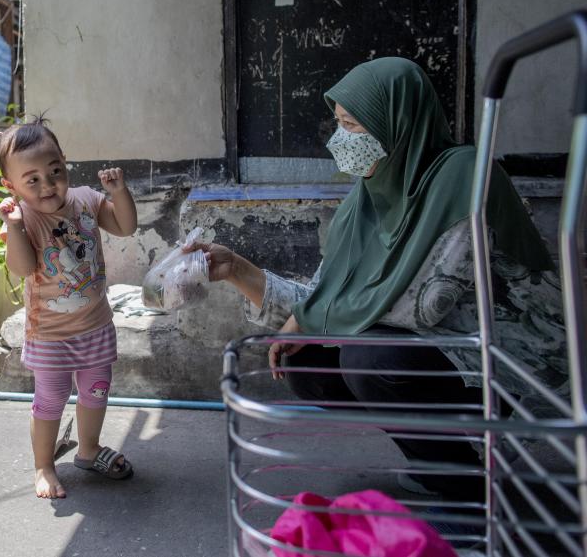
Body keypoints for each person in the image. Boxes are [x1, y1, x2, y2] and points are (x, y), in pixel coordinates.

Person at [195, 57, 567, 500]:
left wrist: (307, 320)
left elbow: (422, 305)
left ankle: (464, 485)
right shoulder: (367, 200)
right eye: (338, 124)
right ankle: (446, 464)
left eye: (352, 126)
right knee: (307, 361)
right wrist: (237, 269)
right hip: (438, 354)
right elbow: (325, 299)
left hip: (505, 361)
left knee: (371, 359)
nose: (340, 140)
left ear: (396, 122)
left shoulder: (463, 176)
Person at [0, 117, 138, 499]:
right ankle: (43, 465)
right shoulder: (23, 218)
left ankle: (88, 449)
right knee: (51, 399)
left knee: (97, 391)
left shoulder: (87, 200)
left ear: (65, 162)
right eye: (32, 180)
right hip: (51, 334)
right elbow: (23, 269)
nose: (47, 185)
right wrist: (16, 226)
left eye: (54, 171)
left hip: (95, 325)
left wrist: (119, 192)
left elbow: (125, 226)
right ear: (12, 186)